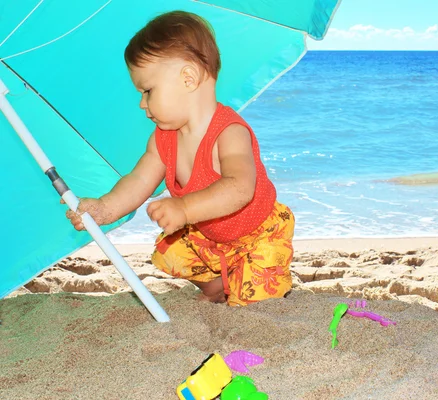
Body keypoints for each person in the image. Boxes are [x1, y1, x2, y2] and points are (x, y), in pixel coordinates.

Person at [64, 11, 294, 306]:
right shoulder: (163, 139)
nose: (141, 103)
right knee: (169, 251)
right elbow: (139, 180)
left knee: (252, 300)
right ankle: (215, 287)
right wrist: (104, 208)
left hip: (260, 235)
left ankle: (242, 283)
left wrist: (184, 208)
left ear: (188, 78)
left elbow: (239, 188)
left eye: (147, 91)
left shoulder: (229, 132)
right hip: (211, 237)